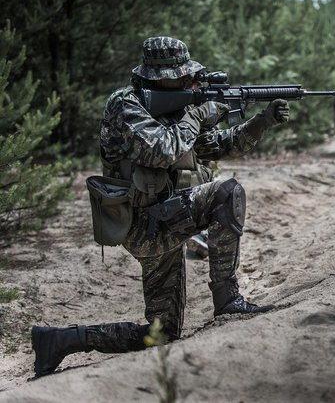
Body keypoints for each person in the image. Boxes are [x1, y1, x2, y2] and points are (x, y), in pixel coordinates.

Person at [31, 36, 290, 377]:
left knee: (161, 334)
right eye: (181, 76)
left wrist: (262, 122)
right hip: (143, 225)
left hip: (166, 216)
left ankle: (62, 341)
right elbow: (164, 150)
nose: (188, 82)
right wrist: (198, 114)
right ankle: (228, 301)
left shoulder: (177, 109)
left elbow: (217, 147)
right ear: (157, 76)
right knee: (228, 192)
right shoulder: (126, 105)